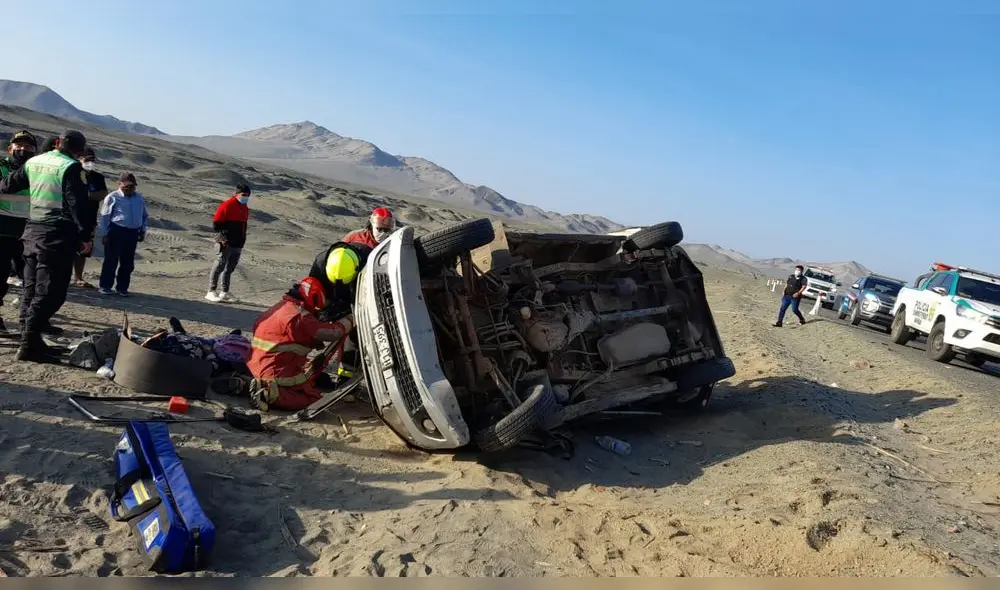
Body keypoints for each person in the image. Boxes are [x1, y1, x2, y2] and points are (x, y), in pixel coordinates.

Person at [0, 129, 94, 362]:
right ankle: (29, 342)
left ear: (58, 142)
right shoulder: (71, 167)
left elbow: (7, 185)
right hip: (56, 235)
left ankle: (30, 339)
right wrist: (85, 236)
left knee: (31, 288)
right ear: (79, 151)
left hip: (31, 232)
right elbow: (77, 204)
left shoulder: (35, 162)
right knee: (52, 292)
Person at [247, 276, 355, 411]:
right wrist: (351, 319)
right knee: (313, 399)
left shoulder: (282, 306)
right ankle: (271, 393)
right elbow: (332, 333)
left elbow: (290, 335)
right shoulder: (300, 316)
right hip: (276, 371)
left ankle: (246, 384)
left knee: (316, 377)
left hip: (256, 365)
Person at [0, 131, 37, 331]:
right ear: (10, 148)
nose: (23, 149)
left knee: (31, 279)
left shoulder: (37, 171)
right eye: (19, 145)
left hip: (28, 230)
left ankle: (28, 322)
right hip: (2, 228)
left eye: (29, 146)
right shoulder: (2, 167)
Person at [96, 172, 148, 296]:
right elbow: (104, 216)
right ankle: (105, 286)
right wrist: (104, 234)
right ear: (120, 184)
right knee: (111, 260)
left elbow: (144, 215)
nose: (129, 189)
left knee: (128, 262)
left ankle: (122, 288)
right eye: (127, 186)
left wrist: (143, 229)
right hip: (116, 230)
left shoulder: (139, 198)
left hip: (133, 232)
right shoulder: (112, 197)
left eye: (132, 186)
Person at [206, 183, 251, 303]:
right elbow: (216, 224)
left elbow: (243, 226)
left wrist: (241, 240)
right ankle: (211, 291)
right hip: (226, 242)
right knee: (219, 265)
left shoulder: (245, 208)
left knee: (230, 268)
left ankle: (224, 292)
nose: (246, 197)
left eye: (248, 195)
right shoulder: (227, 205)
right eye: (244, 195)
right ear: (237, 194)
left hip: (238, 243)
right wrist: (225, 236)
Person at [73, 148, 109, 288]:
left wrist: (84, 195)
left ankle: (78, 277)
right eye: (87, 160)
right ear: (79, 159)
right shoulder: (73, 174)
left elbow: (103, 194)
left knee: (84, 249)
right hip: (70, 217)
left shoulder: (97, 177)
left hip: (88, 219)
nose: (90, 163)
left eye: (92, 160)